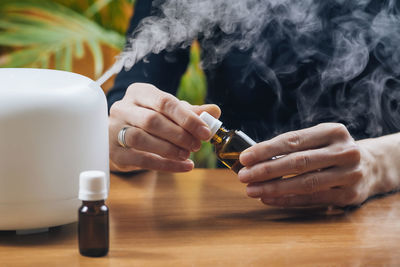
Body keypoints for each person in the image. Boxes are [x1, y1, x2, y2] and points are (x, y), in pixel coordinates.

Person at [107, 0, 400, 208]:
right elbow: (123, 106)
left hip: (383, 213)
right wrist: (120, 135)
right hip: (240, 218)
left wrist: (377, 164)